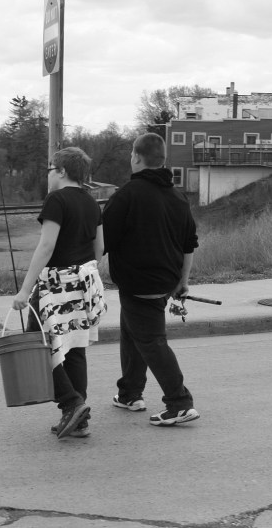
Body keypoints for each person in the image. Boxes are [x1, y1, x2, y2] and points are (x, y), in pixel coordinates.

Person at [102, 132, 200, 426]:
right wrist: (183, 282)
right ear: (162, 160)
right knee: (133, 333)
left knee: (152, 341)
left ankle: (179, 402)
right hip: (165, 283)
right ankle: (130, 393)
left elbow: (101, 242)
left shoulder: (126, 196)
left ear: (135, 157)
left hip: (138, 284)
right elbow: (188, 245)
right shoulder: (178, 198)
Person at [12, 147, 106, 439]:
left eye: (51, 169)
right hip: (84, 284)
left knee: (39, 347)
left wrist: (25, 290)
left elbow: (46, 246)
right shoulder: (92, 203)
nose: (49, 175)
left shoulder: (56, 200)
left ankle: (71, 402)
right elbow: (100, 249)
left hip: (54, 286)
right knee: (75, 348)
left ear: (62, 171)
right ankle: (79, 419)